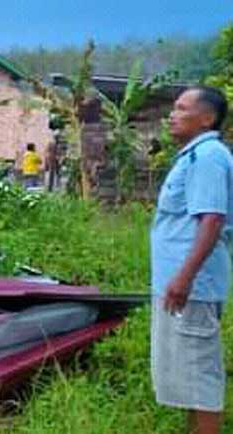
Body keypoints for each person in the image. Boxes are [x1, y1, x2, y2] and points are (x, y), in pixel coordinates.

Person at [150, 86, 231, 434]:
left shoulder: (208, 157)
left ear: (207, 118)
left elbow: (212, 219)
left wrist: (184, 278)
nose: (173, 114)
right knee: (186, 372)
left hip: (192, 288)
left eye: (182, 108)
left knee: (199, 374)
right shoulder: (195, 156)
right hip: (183, 285)